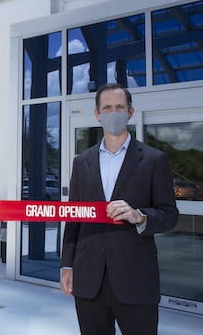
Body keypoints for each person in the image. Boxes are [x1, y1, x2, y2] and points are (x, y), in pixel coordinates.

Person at [60, 83, 179, 335]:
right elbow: (73, 218)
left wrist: (140, 216)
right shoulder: (82, 162)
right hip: (90, 279)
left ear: (130, 111)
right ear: (97, 114)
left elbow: (170, 215)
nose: (113, 112)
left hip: (135, 280)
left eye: (119, 107)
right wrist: (67, 265)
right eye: (107, 108)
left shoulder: (154, 159)